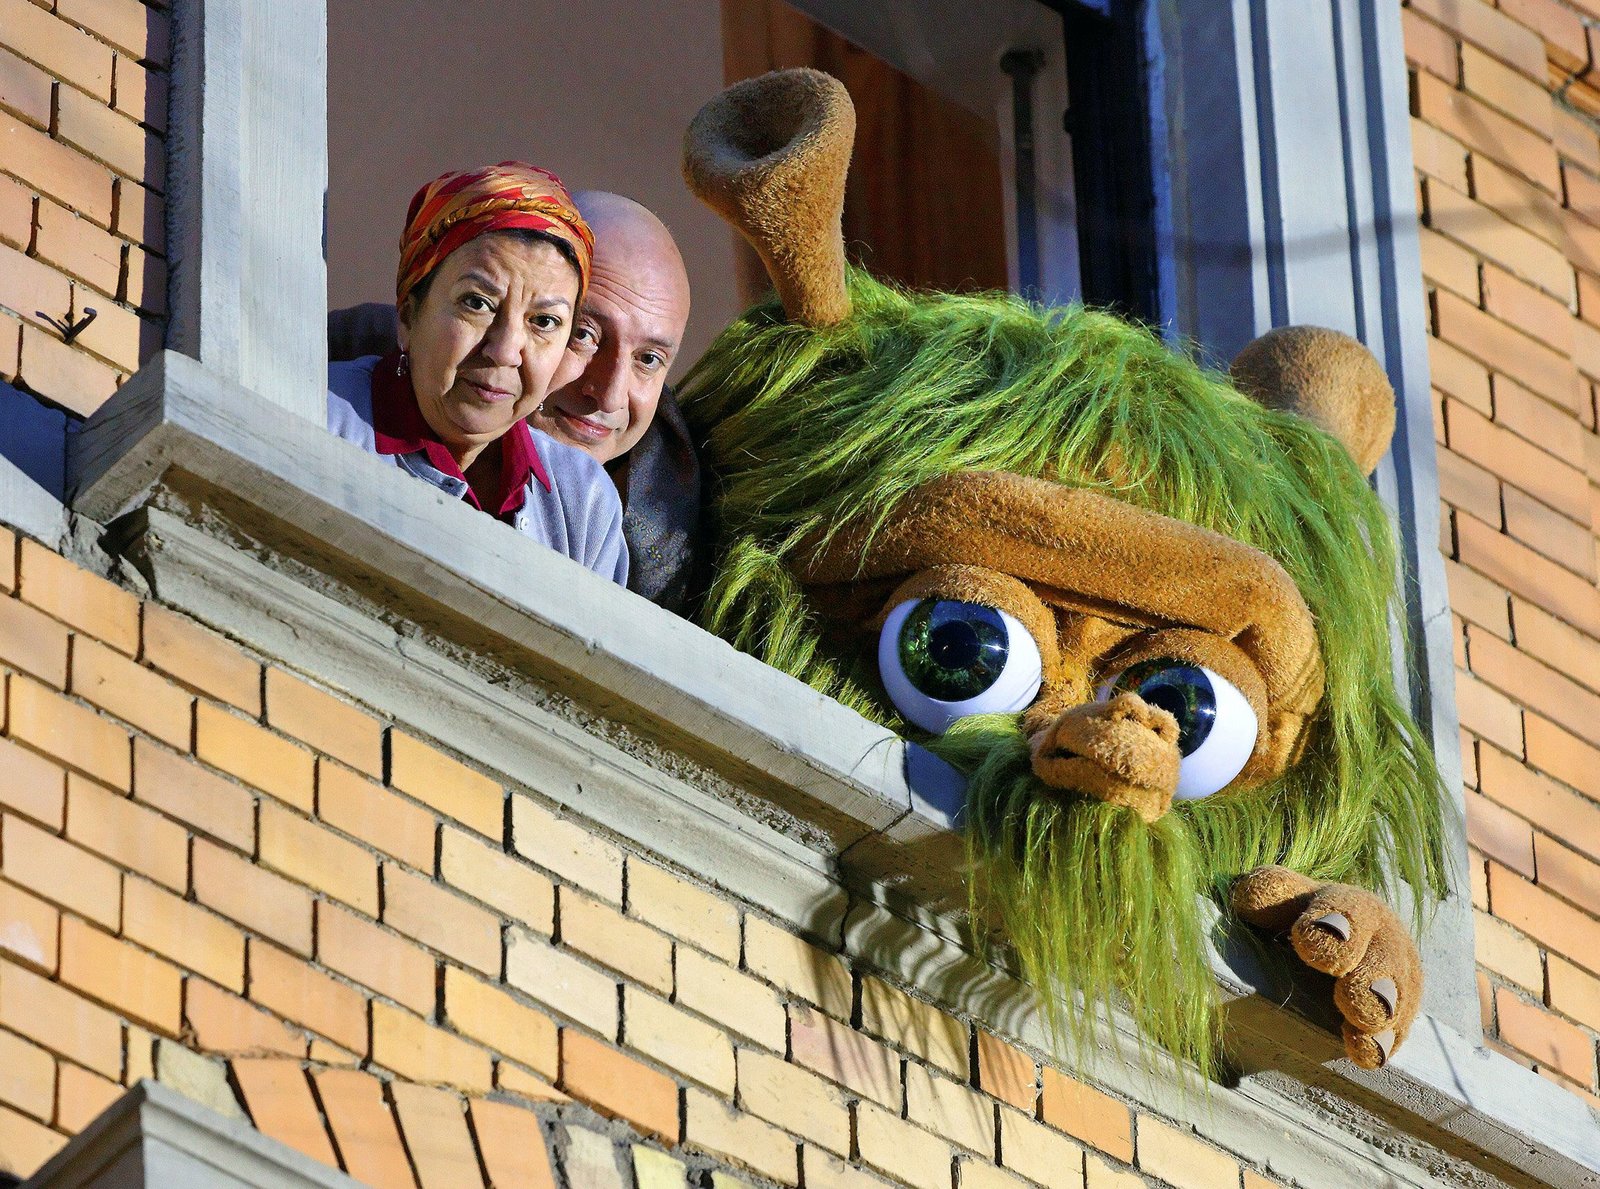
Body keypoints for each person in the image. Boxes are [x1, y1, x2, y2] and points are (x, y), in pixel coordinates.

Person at [330, 191, 698, 609]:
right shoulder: (325, 408)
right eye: (584, 334)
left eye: (649, 359)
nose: (610, 395)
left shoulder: (639, 522)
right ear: (410, 316)